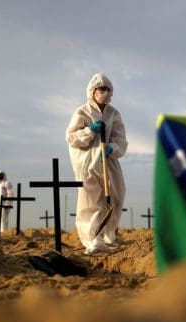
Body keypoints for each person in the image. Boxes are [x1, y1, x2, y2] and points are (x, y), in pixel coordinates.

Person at [66, 73, 128, 255]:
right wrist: (89, 131)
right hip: (88, 164)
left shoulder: (113, 114)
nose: (104, 93)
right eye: (101, 89)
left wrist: (112, 148)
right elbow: (71, 138)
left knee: (116, 196)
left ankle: (108, 235)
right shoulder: (82, 112)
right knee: (91, 201)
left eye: (107, 89)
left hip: (108, 162)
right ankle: (93, 239)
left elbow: (121, 140)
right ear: (92, 91)